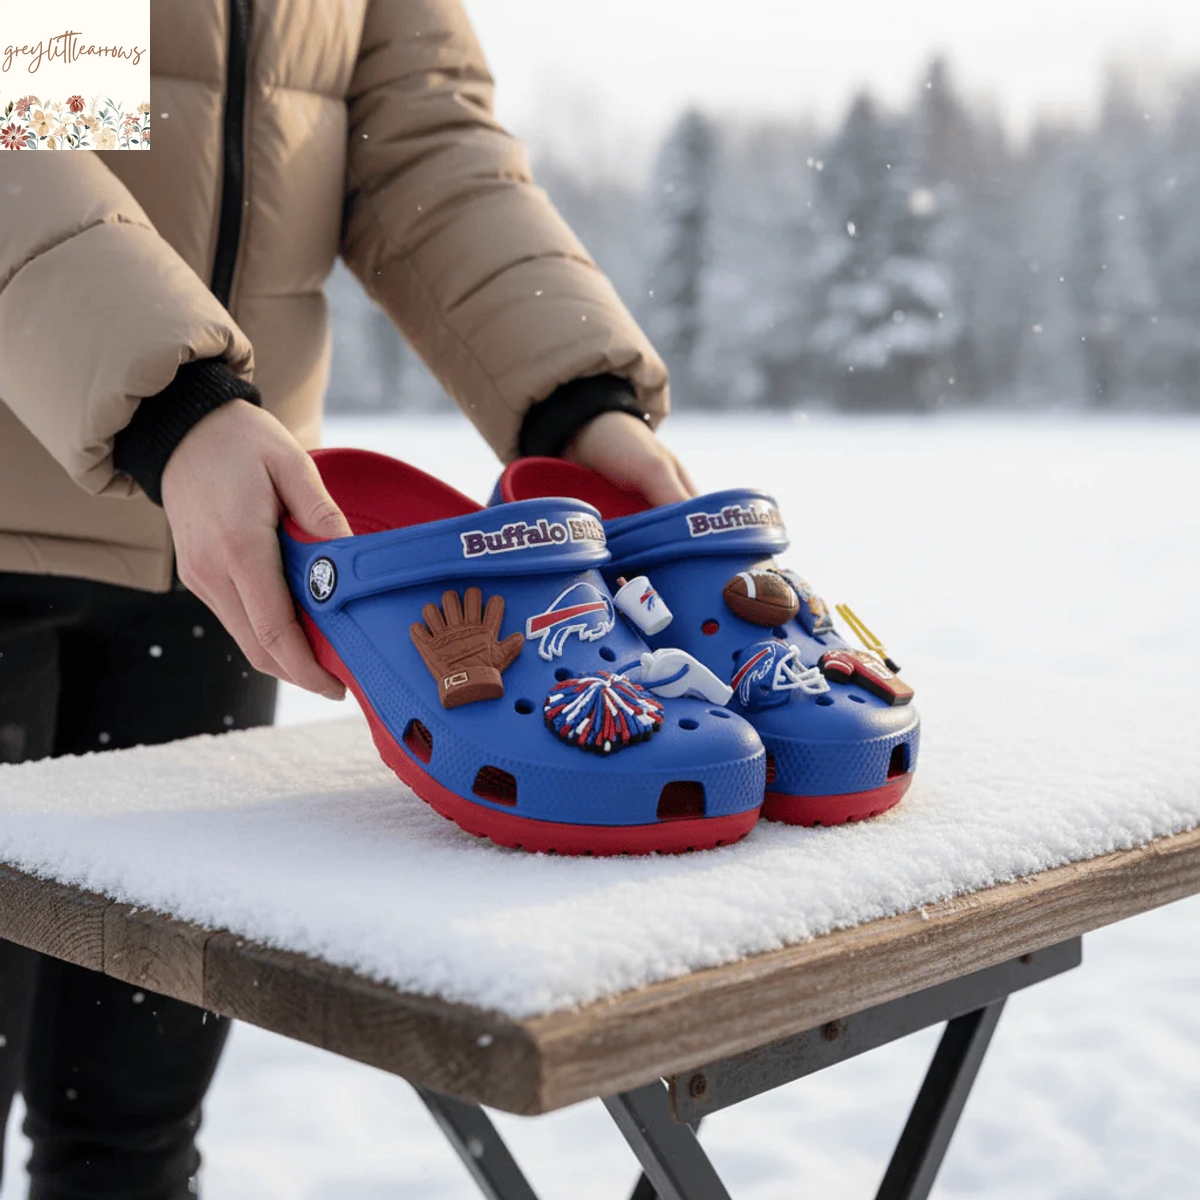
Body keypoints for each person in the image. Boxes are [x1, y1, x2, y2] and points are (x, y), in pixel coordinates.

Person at [0, 1, 695, 1194]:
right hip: (56, 511)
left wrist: (573, 398)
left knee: (132, 1122)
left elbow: (421, 144)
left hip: (224, 555)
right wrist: (174, 405)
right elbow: (30, 114)